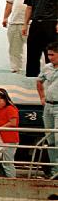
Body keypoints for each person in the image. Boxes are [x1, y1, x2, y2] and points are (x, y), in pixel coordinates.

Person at [22, 0, 58, 77]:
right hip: (35, 25)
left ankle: (52, 78)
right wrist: (25, 25)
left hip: (51, 25)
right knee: (32, 54)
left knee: (51, 54)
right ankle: (31, 80)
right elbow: (29, 8)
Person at [3, 0, 38, 73]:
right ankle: (16, 71)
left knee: (35, 49)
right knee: (14, 49)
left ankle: (36, 73)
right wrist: (5, 17)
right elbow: (9, 2)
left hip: (31, 23)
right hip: (14, 21)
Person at [37, 42, 58, 179]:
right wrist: (42, 97)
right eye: (49, 54)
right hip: (48, 106)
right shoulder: (47, 68)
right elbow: (39, 81)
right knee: (50, 140)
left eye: (53, 54)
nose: (50, 57)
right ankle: (54, 170)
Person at [0, 88, 20, 178]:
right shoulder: (1, 109)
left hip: (10, 139)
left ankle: (12, 180)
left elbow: (13, 123)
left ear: (5, 99)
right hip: (3, 139)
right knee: (5, 161)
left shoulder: (10, 108)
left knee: (7, 163)